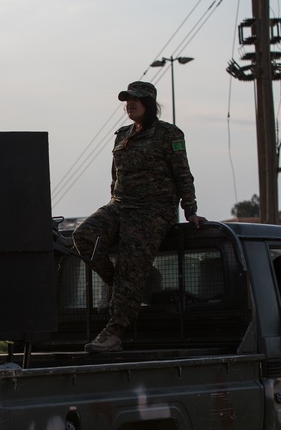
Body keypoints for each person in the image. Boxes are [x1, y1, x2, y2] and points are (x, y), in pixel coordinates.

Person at [74, 80, 205, 353]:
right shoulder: (122, 134)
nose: (129, 104)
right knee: (83, 236)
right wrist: (111, 206)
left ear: (149, 104)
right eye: (127, 100)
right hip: (121, 205)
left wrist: (190, 209)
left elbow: (183, 173)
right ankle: (116, 284)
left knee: (130, 264)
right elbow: (116, 176)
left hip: (153, 210)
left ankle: (114, 331)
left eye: (135, 99)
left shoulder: (169, 134)